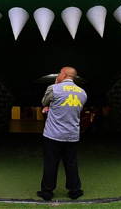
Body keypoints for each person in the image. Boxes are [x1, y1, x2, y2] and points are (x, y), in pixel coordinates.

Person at [38, 66, 87, 201]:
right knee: (71, 164)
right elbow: (74, 109)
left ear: (64, 75)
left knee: (51, 163)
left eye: (59, 73)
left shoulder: (54, 88)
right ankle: (75, 191)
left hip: (53, 135)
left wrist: (55, 86)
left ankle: (47, 192)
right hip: (72, 135)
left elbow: (44, 102)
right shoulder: (82, 92)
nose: (58, 75)